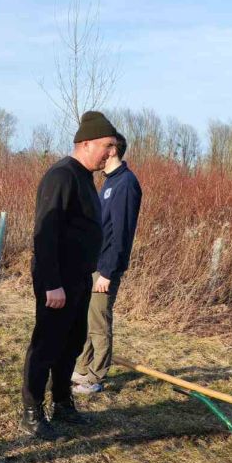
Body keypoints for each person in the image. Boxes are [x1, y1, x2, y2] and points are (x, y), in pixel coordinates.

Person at [21, 110, 118, 439]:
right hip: (57, 281)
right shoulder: (61, 175)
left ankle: (62, 402)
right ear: (86, 143)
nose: (111, 153)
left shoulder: (85, 177)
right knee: (46, 345)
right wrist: (52, 284)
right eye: (107, 146)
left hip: (78, 279)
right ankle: (32, 413)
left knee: (72, 343)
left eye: (113, 147)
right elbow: (44, 233)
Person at [73, 133, 142, 394]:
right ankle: (83, 368)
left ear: (112, 150)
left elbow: (122, 233)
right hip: (94, 265)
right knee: (88, 319)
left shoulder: (126, 183)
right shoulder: (109, 182)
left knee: (100, 323)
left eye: (103, 147)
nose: (98, 154)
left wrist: (108, 272)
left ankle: (95, 377)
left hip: (105, 270)